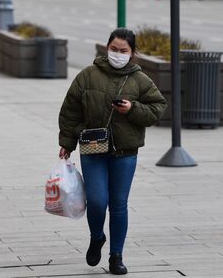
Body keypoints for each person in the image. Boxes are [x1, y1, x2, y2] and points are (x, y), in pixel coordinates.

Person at [58, 28, 167, 275]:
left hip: (125, 151)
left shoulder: (141, 80)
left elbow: (158, 107)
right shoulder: (87, 76)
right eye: (114, 49)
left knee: (118, 205)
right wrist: (67, 141)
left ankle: (116, 256)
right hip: (93, 148)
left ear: (132, 53)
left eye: (123, 51)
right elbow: (70, 110)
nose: (118, 54)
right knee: (97, 201)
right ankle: (97, 237)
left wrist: (132, 109)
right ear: (107, 48)